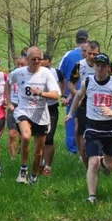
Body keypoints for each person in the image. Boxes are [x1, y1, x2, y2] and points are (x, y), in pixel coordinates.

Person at [66, 53, 112, 203]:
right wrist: (70, 113)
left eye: (103, 65)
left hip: (111, 128)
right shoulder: (87, 82)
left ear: (108, 67)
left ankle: (103, 163)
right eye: (97, 65)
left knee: (111, 165)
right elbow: (78, 96)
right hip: (93, 127)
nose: (100, 68)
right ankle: (92, 196)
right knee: (92, 161)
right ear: (94, 66)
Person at [7, 47, 61, 185]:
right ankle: (23, 169)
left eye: (39, 59)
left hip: (41, 114)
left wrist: (41, 93)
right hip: (24, 110)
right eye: (33, 59)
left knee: (38, 152)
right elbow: (8, 83)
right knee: (25, 136)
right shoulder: (19, 73)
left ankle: (34, 176)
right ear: (27, 60)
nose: (36, 61)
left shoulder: (46, 73)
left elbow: (56, 94)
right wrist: (8, 102)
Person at [70, 41, 101, 166]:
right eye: (90, 53)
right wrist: (77, 92)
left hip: (100, 103)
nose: (92, 57)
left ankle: (100, 155)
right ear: (85, 53)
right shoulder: (79, 65)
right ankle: (83, 156)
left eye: (95, 54)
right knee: (79, 130)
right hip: (84, 103)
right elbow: (71, 82)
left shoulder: (105, 64)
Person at [59, 29, 89, 154]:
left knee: (71, 120)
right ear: (87, 39)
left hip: (72, 94)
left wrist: (64, 95)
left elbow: (60, 75)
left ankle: (72, 149)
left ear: (76, 40)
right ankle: (88, 148)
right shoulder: (93, 53)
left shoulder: (68, 55)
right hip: (88, 96)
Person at [41, 53, 67, 175]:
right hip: (38, 108)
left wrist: (63, 94)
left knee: (49, 137)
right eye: (42, 66)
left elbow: (63, 81)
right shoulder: (36, 73)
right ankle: (40, 162)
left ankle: (48, 166)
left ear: (50, 62)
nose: (44, 69)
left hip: (51, 107)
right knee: (40, 137)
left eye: (46, 66)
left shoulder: (56, 72)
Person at [6, 56, 27, 158]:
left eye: (22, 65)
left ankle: (22, 155)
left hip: (24, 106)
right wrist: (8, 102)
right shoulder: (12, 75)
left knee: (23, 135)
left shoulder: (29, 76)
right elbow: (5, 87)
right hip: (13, 106)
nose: (19, 67)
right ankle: (13, 158)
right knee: (12, 134)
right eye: (17, 64)